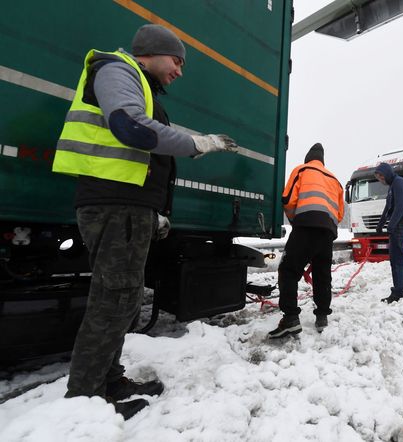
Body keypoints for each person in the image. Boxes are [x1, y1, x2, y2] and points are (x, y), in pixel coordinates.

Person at [52, 24, 238, 419]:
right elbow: (129, 126)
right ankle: (86, 397)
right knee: (114, 299)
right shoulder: (117, 69)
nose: (180, 71)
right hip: (114, 205)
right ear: (152, 52)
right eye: (177, 61)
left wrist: (153, 214)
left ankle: (110, 379)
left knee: (124, 300)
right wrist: (196, 143)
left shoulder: (138, 83)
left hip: (127, 207)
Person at [268, 143, 345, 338]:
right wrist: (327, 225)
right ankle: (322, 316)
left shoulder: (302, 170)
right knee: (322, 273)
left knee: (288, 270)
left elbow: (287, 200)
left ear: (308, 157)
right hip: (327, 232)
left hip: (305, 226)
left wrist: (297, 220)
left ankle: (291, 318)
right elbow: (340, 213)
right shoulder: (335, 179)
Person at [374, 163, 403, 303]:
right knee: (401, 258)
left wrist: (392, 225)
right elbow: (388, 207)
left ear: (387, 173)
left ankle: (397, 293)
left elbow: (401, 205)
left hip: (400, 224)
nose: (381, 179)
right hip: (399, 224)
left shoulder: (399, 183)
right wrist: (381, 223)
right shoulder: (392, 186)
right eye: (378, 177)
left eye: (381, 176)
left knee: (396, 259)